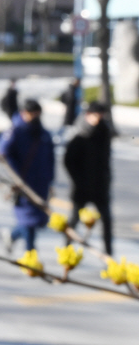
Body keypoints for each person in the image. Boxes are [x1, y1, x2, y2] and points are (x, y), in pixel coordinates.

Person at [0, 100, 55, 253]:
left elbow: (50, 158)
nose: (34, 117)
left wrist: (50, 181)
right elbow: (3, 153)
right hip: (22, 183)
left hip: (40, 183)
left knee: (38, 220)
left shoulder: (43, 134)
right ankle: (31, 256)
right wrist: (15, 177)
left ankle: (12, 236)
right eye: (31, 113)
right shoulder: (15, 131)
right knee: (28, 220)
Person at [64, 101, 114, 255]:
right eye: (95, 115)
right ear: (87, 115)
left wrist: (106, 177)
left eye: (101, 115)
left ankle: (109, 254)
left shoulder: (104, 133)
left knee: (106, 220)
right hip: (82, 186)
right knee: (74, 219)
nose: (98, 118)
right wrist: (78, 180)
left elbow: (105, 159)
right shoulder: (79, 134)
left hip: (100, 185)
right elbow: (68, 160)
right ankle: (67, 249)